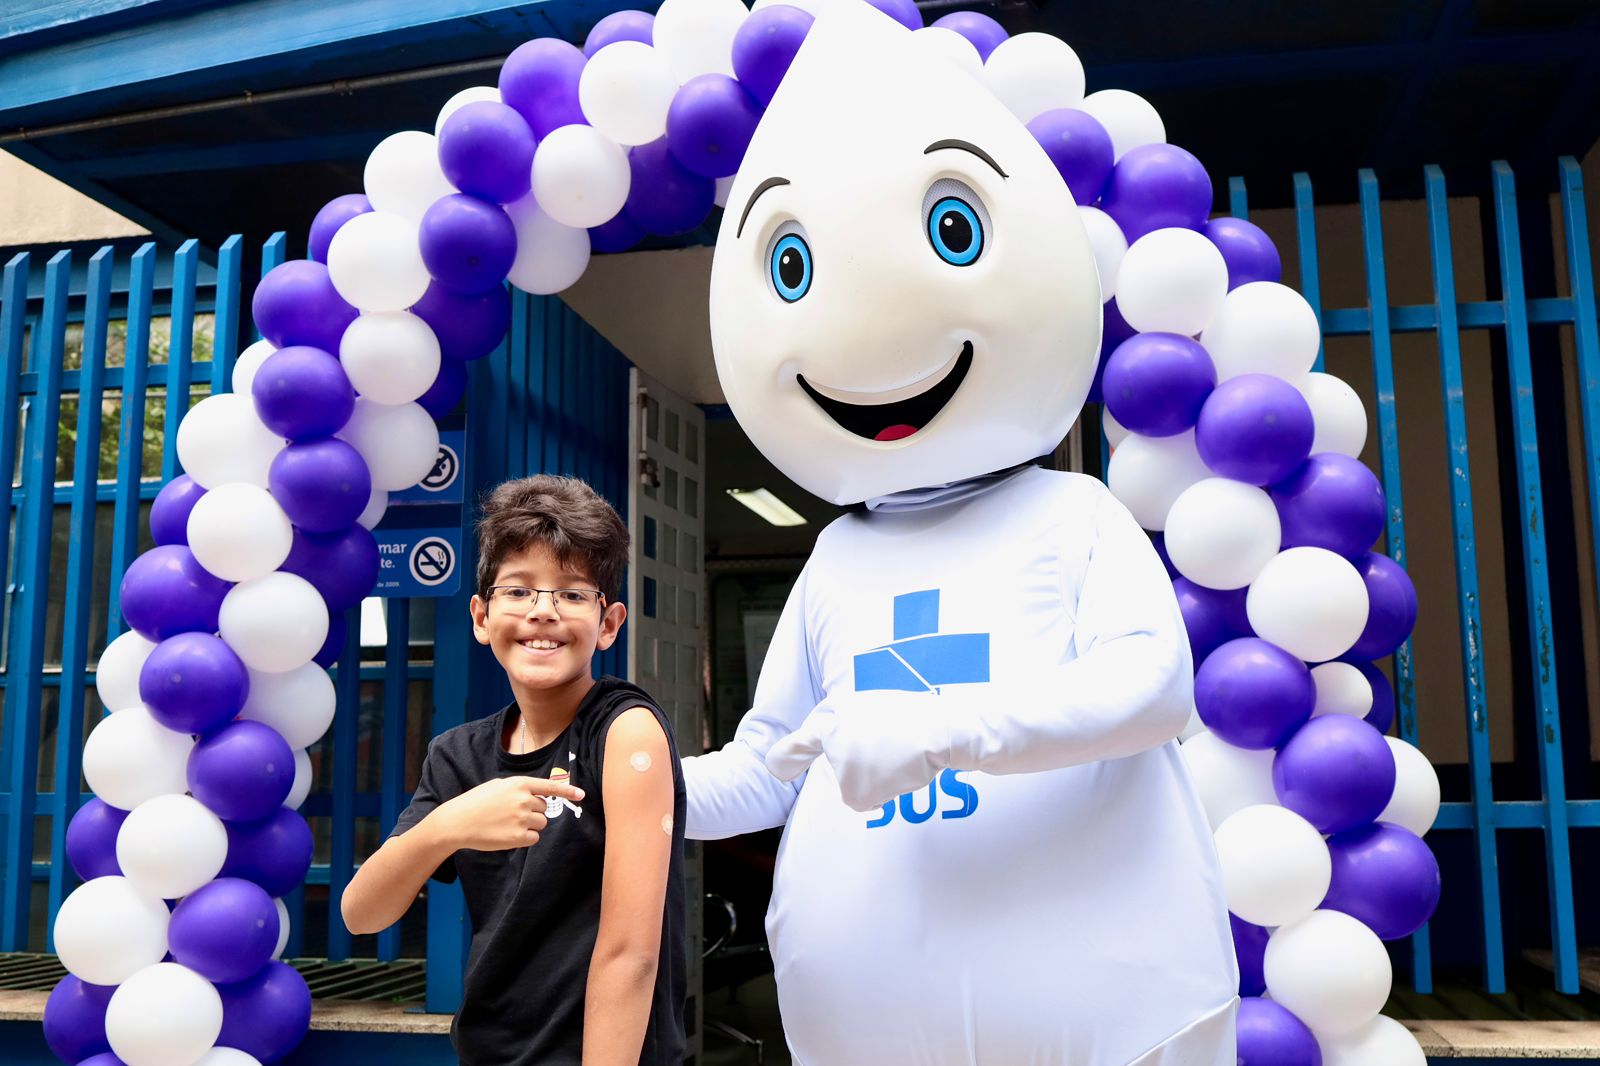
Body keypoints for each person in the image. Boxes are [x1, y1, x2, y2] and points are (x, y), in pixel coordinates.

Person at [341, 474, 686, 1066]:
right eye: (519, 591)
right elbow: (362, 913)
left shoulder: (625, 730)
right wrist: (450, 825)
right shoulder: (458, 756)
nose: (544, 612)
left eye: (573, 594)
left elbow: (631, 954)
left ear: (608, 624)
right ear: (481, 616)